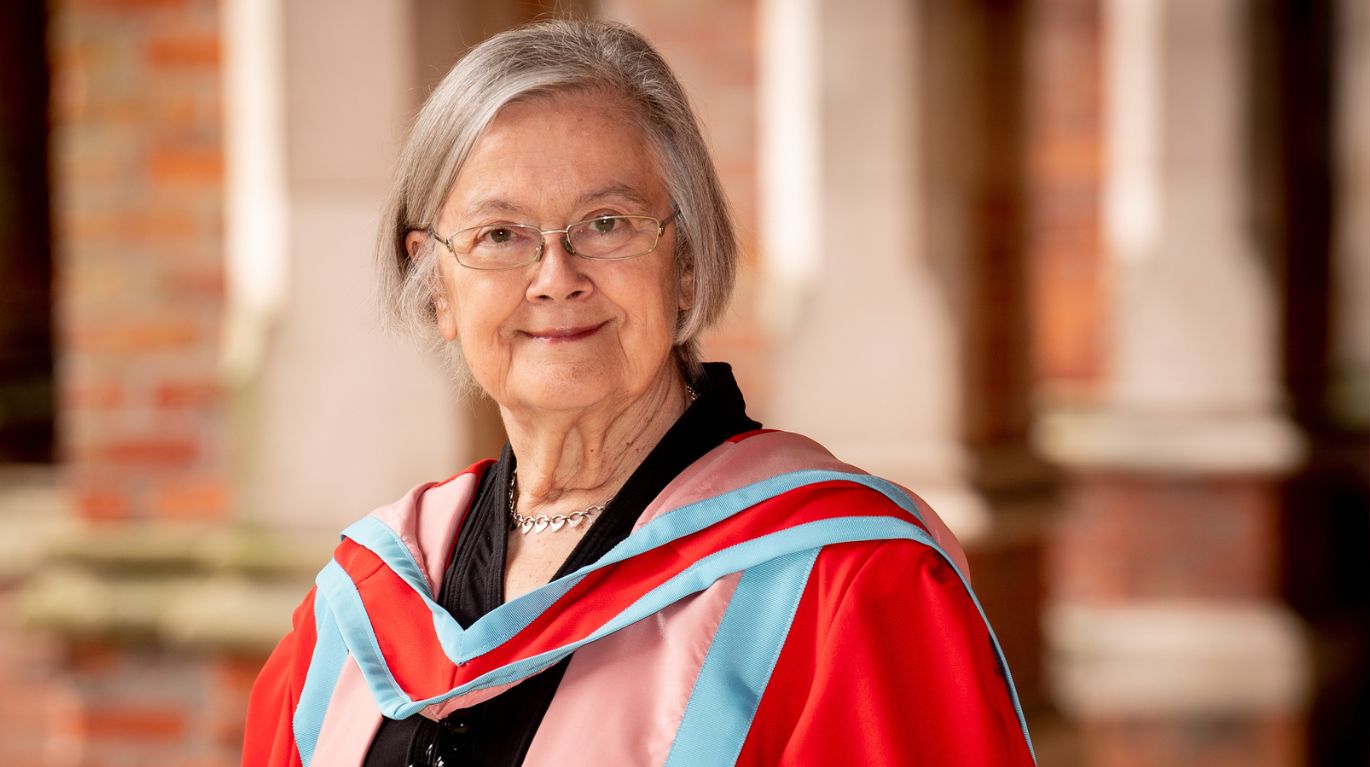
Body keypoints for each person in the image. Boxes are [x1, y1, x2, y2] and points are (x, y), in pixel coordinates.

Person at [243, 19, 1033, 767]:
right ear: (437, 284)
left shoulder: (848, 586)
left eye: (606, 223)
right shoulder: (356, 609)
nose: (555, 278)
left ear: (685, 263)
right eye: (500, 235)